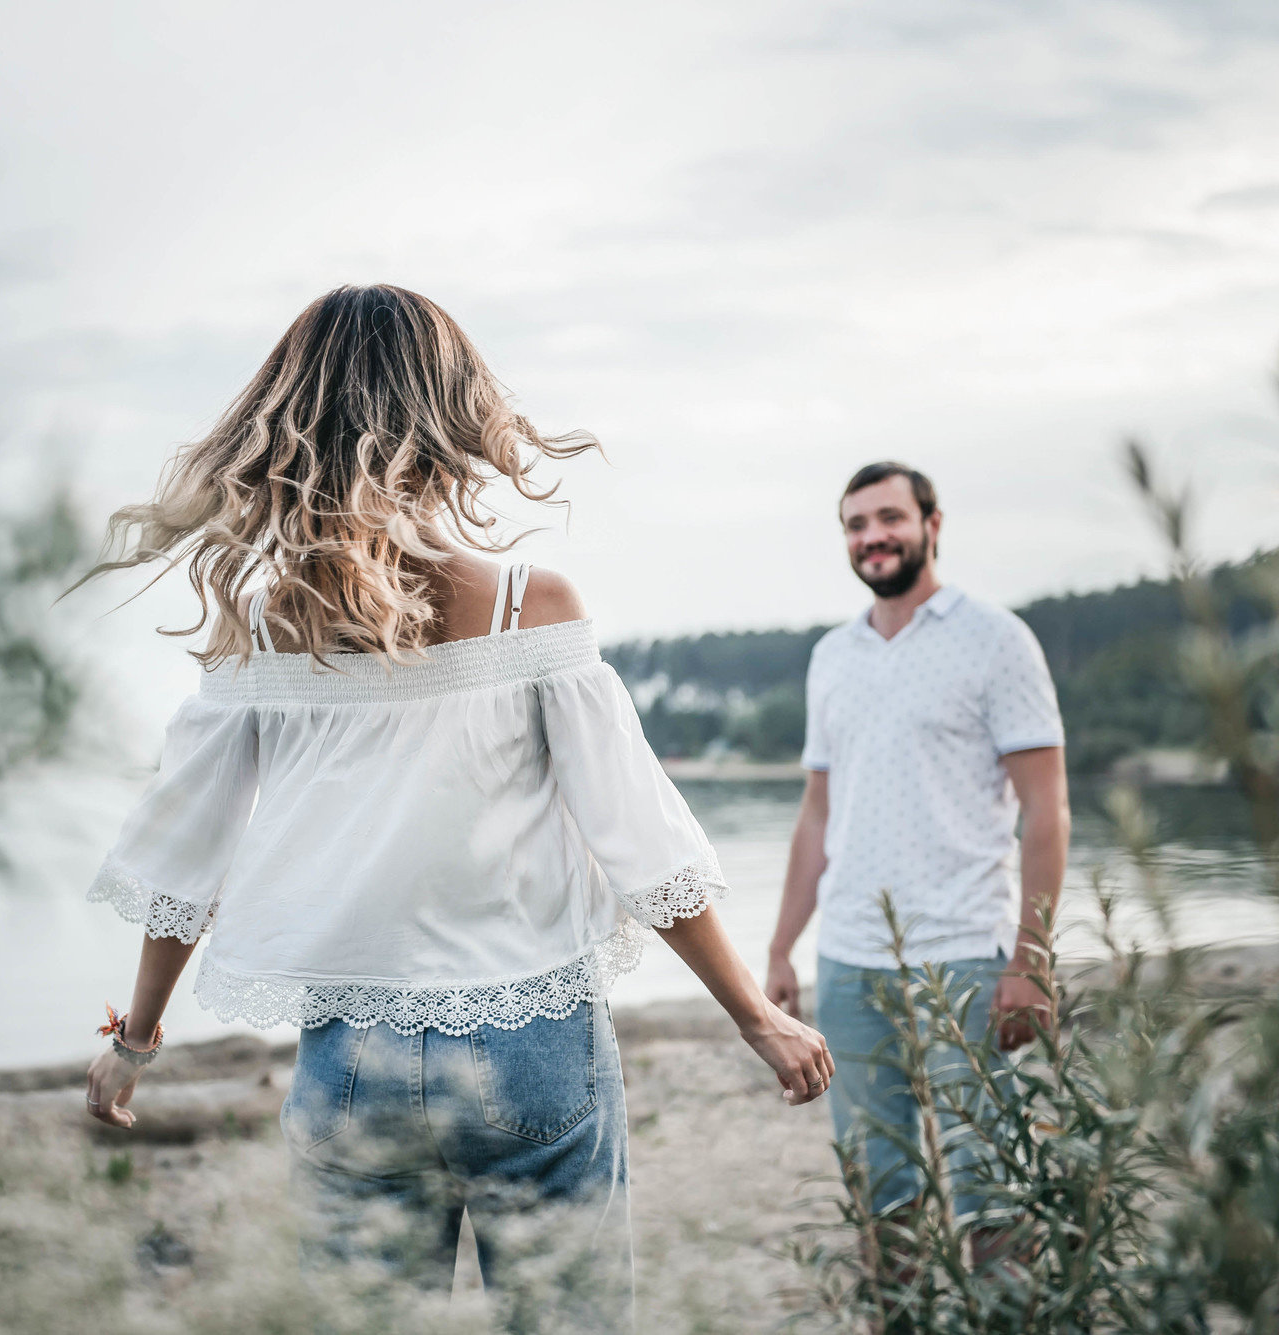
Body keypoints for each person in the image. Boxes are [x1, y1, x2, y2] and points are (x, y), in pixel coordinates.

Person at [73, 285, 832, 1330]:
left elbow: (184, 859)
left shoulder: (263, 626)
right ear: (449, 416)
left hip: (351, 1057)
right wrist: (755, 1016)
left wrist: (136, 1042)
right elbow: (639, 843)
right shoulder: (532, 607)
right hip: (531, 1042)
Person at [764, 461, 1069, 1228]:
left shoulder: (997, 640)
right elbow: (817, 815)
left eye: (890, 518)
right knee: (880, 1190)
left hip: (965, 955)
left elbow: (1046, 809)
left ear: (932, 525)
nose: (873, 536)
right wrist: (780, 948)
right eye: (856, 524)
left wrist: (1032, 959)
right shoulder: (832, 656)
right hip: (848, 960)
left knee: (990, 1189)